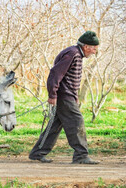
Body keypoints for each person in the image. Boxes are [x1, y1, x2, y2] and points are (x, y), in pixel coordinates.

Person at [29, 31, 99, 164]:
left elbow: (69, 79)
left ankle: (38, 153)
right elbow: (55, 73)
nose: (95, 52)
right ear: (86, 46)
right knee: (77, 122)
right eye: (94, 48)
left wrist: (74, 97)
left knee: (54, 126)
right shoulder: (73, 53)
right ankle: (81, 156)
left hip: (67, 96)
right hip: (64, 96)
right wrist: (52, 94)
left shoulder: (76, 54)